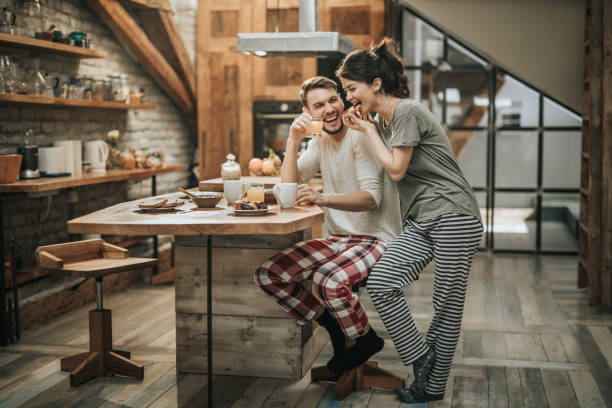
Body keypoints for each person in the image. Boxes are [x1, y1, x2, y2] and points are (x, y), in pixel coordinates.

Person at [337, 38, 483, 403]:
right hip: (423, 219)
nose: (348, 97)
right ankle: (421, 356)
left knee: (446, 306)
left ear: (375, 84)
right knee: (383, 281)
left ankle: (428, 389)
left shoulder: (405, 113)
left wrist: (367, 131)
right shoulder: (386, 123)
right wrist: (366, 130)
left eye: (351, 89)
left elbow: (398, 171)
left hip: (453, 215)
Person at [255, 76, 401, 374]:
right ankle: (336, 328)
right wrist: (293, 140)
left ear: (342, 99)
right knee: (269, 274)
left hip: (375, 237)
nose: (329, 109)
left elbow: (371, 199)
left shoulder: (360, 135)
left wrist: (322, 198)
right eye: (318, 105)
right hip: (339, 238)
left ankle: (365, 339)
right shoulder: (318, 141)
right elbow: (290, 185)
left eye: (333, 100)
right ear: (309, 113)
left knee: (328, 280)